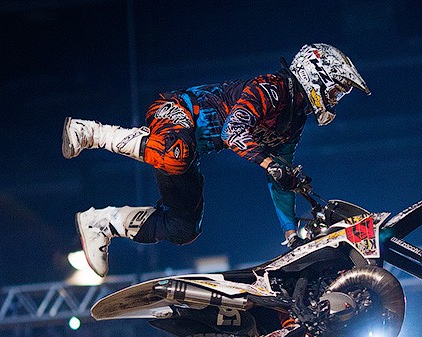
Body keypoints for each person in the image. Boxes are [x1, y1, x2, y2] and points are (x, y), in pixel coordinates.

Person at [63, 43, 370, 277]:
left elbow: (279, 177)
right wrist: (270, 164)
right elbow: (232, 131)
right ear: (316, 74)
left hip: (189, 150)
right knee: (176, 154)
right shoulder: (273, 88)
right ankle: (91, 132)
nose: (335, 97)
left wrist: (291, 234)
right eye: (336, 89)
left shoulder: (293, 122)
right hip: (176, 110)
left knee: (184, 228)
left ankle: (102, 223)